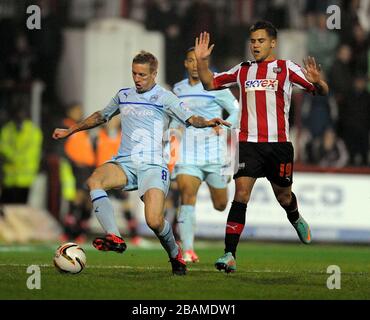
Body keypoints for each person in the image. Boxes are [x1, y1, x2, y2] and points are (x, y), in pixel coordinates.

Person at [52, 51, 230, 276]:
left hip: (153, 166)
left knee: (154, 221)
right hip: (125, 162)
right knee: (95, 180)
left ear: (154, 74)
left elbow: (190, 118)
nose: (137, 79)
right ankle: (115, 236)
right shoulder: (124, 95)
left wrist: (207, 122)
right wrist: (71, 130)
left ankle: (175, 256)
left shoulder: (165, 97)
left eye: (143, 75)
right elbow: (101, 116)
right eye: (134, 73)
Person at [194, 21, 329, 273]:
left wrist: (318, 82)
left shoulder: (286, 69)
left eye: (261, 41)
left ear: (273, 43)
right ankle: (229, 254)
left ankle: (295, 216)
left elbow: (320, 91)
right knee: (241, 194)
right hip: (248, 143)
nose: (255, 45)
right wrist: (202, 61)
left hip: (278, 145)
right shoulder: (242, 70)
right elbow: (209, 83)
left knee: (284, 196)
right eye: (253, 41)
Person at [171, 47, 240, 263]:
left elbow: (236, 109)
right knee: (186, 196)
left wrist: (226, 128)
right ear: (185, 63)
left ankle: (222, 182)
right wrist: (170, 147)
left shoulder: (216, 84)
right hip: (187, 155)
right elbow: (175, 117)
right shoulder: (178, 89)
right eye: (190, 60)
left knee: (220, 205)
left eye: (198, 61)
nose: (194, 65)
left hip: (214, 156)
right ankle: (188, 251)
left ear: (206, 63)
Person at [0, 104, 43, 204]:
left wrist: (13, 157)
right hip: (10, 178)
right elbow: (2, 146)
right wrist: (15, 157)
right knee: (7, 207)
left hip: (25, 179)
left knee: (22, 207)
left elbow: (33, 152)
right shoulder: (7, 130)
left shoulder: (34, 131)